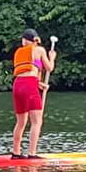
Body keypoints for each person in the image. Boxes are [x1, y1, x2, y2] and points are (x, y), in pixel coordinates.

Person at [11, 28, 57, 159]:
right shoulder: (40, 50)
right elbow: (49, 68)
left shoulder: (18, 52)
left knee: (21, 122)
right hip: (29, 86)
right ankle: (32, 154)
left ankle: (16, 152)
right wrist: (52, 58)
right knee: (37, 121)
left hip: (18, 85)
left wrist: (39, 84)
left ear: (25, 40)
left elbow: (27, 72)